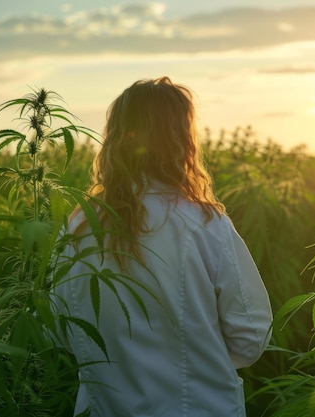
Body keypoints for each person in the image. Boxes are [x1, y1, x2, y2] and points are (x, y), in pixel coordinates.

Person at [51, 77, 273, 417]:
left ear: (115, 138)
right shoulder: (204, 224)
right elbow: (251, 336)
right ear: (182, 141)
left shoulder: (79, 226)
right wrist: (193, 359)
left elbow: (60, 331)